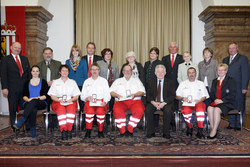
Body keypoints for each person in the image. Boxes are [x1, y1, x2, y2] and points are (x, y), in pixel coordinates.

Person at [0, 42, 31, 131]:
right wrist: (4, 87)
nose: (17, 49)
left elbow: (28, 74)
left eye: (19, 48)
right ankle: (14, 126)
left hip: (24, 89)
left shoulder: (25, 59)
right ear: (11, 48)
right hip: (11, 88)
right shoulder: (5, 59)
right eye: (15, 47)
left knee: (25, 107)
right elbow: (3, 74)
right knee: (13, 108)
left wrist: (30, 86)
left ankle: (26, 125)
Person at [13, 65, 49, 138]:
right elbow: (24, 95)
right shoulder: (27, 82)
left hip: (41, 102)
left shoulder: (44, 82)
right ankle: (33, 131)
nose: (35, 73)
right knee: (33, 108)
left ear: (39, 72)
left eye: (37, 71)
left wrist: (36, 98)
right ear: (31, 72)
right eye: (33, 71)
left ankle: (21, 121)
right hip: (28, 102)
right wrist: (28, 99)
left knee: (34, 101)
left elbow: (46, 96)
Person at [110, 65, 145, 137]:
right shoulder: (117, 81)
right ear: (123, 72)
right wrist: (116, 95)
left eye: (129, 70)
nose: (127, 72)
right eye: (125, 70)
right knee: (117, 110)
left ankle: (130, 129)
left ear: (132, 72)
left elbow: (142, 92)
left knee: (140, 110)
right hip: (120, 101)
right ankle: (122, 131)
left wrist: (135, 95)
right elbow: (111, 92)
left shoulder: (137, 80)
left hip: (134, 101)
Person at [47, 65, 81, 140]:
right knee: (61, 110)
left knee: (71, 110)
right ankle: (63, 130)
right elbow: (52, 96)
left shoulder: (73, 82)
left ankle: (69, 129)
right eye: (63, 70)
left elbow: (77, 95)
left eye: (66, 71)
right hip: (58, 101)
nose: (64, 72)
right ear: (60, 72)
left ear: (68, 72)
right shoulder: (55, 82)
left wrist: (71, 100)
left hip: (70, 101)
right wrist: (59, 100)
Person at [176, 67, 209, 139]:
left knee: (200, 111)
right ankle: (189, 128)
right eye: (189, 73)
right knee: (186, 111)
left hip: (198, 102)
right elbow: (177, 96)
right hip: (187, 103)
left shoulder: (201, 83)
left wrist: (200, 100)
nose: (191, 74)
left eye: (193, 72)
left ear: (195, 74)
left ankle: (200, 130)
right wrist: (182, 98)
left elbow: (205, 96)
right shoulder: (182, 83)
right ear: (187, 74)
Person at [222, 42, 249, 130]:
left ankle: (238, 124)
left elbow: (246, 73)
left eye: (233, 48)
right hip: (228, 88)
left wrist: (244, 87)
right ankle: (232, 123)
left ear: (237, 49)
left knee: (239, 105)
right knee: (230, 105)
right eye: (230, 48)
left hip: (239, 87)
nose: (231, 50)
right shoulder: (225, 60)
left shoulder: (243, 59)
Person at [145, 65, 175, 139]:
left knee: (168, 110)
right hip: (154, 102)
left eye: (162, 72)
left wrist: (163, 103)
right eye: (158, 72)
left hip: (165, 103)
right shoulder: (151, 82)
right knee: (148, 110)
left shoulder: (170, 82)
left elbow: (172, 96)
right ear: (155, 73)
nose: (160, 73)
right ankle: (150, 132)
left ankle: (166, 132)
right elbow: (148, 95)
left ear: (165, 73)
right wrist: (154, 103)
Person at [81, 63, 111, 138]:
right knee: (90, 112)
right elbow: (82, 96)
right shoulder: (86, 81)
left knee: (100, 112)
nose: (94, 71)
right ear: (90, 71)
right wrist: (87, 98)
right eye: (93, 69)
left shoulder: (104, 81)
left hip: (101, 102)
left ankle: (100, 131)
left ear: (99, 71)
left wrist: (105, 101)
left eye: (96, 69)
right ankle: (88, 131)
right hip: (89, 102)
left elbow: (108, 94)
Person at [207, 63, 236, 139]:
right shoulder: (214, 81)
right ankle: (214, 129)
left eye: (223, 70)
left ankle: (213, 131)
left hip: (227, 102)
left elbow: (232, 94)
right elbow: (212, 93)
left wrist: (222, 100)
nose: (220, 72)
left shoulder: (231, 80)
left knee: (216, 110)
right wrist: (215, 99)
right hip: (216, 101)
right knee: (209, 108)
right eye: (219, 70)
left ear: (226, 71)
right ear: (217, 71)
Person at [37, 47, 61, 129]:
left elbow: (60, 75)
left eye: (49, 53)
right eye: (46, 53)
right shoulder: (39, 65)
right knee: (46, 106)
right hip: (44, 88)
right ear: (43, 55)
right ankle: (46, 123)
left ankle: (54, 123)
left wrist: (53, 81)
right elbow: (37, 76)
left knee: (54, 105)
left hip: (54, 87)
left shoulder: (58, 64)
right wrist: (44, 83)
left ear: (52, 54)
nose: (48, 55)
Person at [66, 45, 88, 113]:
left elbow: (85, 73)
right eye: (73, 50)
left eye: (77, 50)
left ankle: (82, 118)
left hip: (81, 83)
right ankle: (72, 116)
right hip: (71, 84)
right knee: (71, 102)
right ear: (71, 52)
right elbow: (67, 73)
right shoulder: (67, 61)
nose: (75, 52)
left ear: (79, 52)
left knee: (82, 102)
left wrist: (85, 85)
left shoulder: (83, 61)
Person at [97, 48, 119, 113]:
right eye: (106, 54)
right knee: (104, 101)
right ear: (103, 55)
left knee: (111, 102)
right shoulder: (99, 63)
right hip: (102, 85)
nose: (108, 55)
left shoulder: (114, 64)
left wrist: (116, 85)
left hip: (112, 85)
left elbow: (117, 75)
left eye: (109, 54)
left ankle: (111, 115)